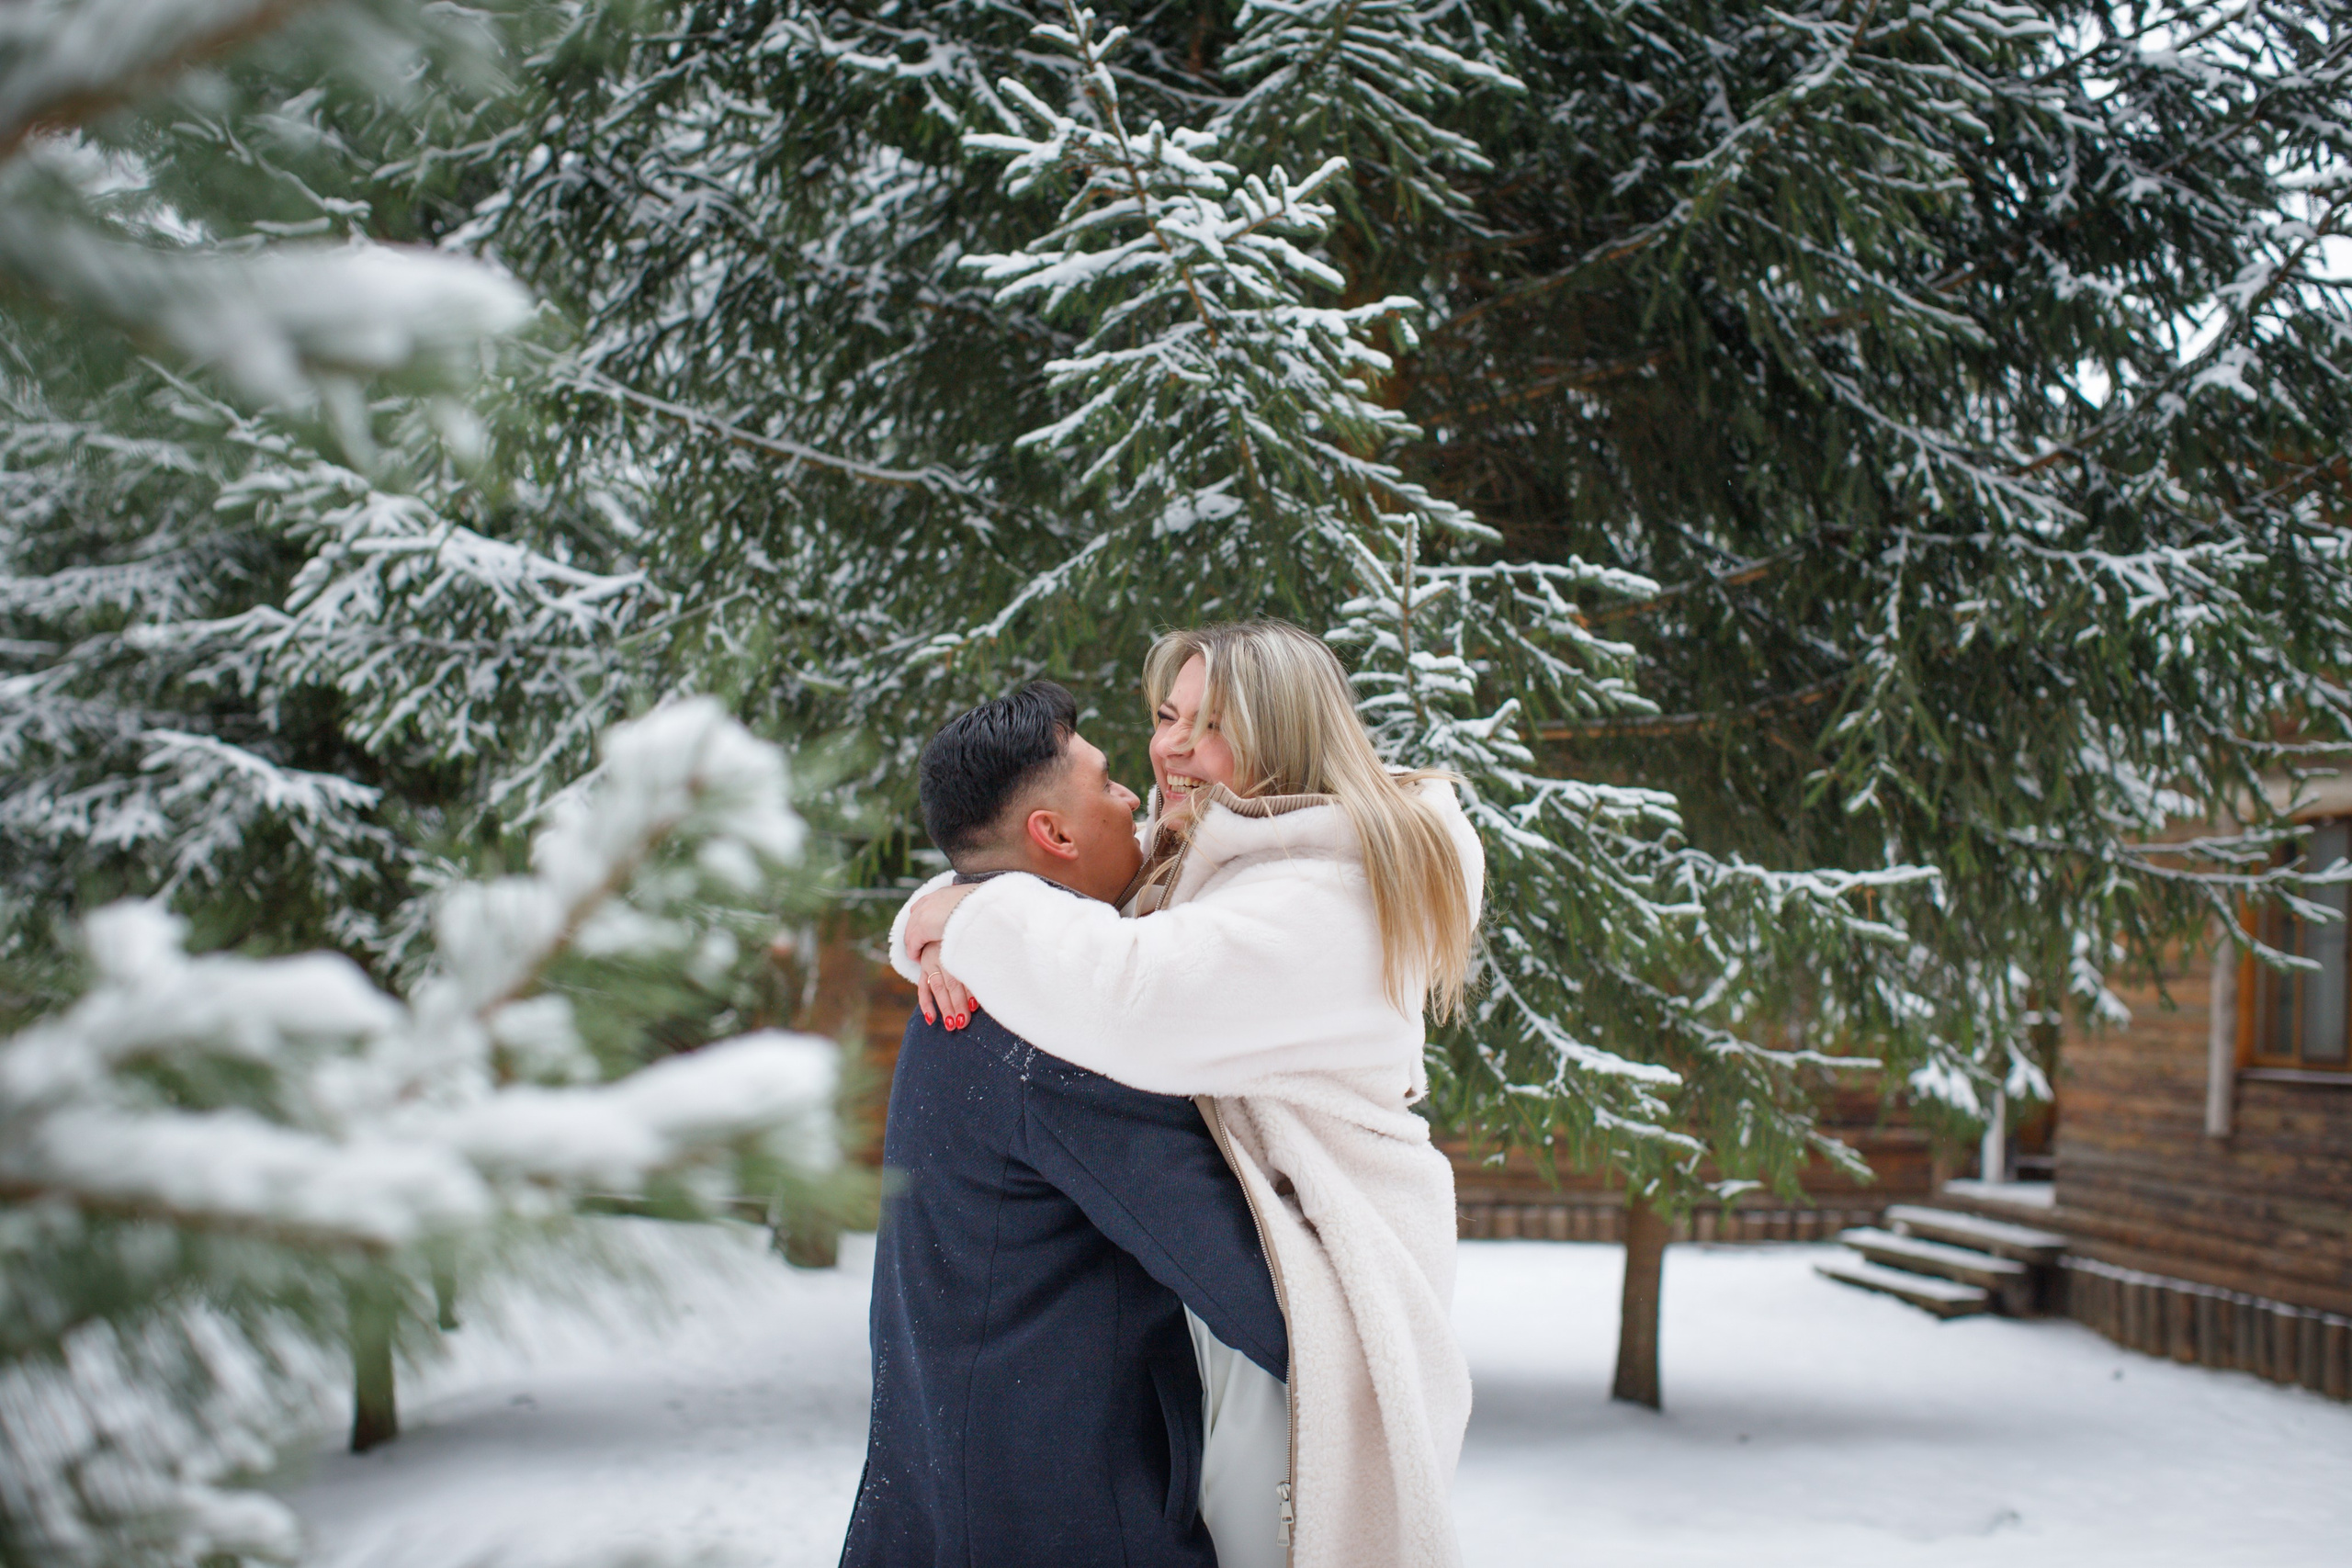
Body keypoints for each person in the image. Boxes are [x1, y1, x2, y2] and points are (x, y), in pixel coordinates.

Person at [898, 621, 1484, 1568]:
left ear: (1280, 740)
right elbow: (1080, 908)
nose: (1168, 746)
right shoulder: (1233, 859)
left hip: (1330, 1273)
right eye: (1166, 714)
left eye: (1206, 724)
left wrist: (966, 907)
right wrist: (952, 907)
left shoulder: (1322, 899)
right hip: (1264, 1250)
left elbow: (1127, 998)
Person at [839, 681, 1287, 1568]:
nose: (1134, 800)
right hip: (1062, 1523)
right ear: (1054, 835)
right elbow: (1261, 1299)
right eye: (1107, 780)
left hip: (947, 1500)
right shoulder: (1055, 1028)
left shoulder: (974, 979)